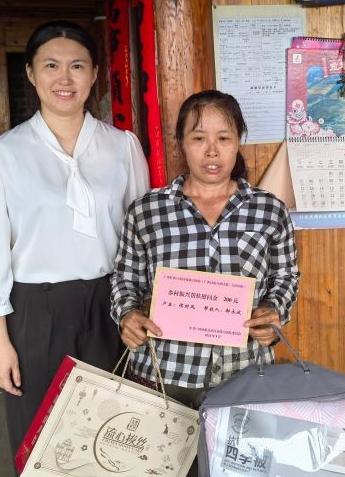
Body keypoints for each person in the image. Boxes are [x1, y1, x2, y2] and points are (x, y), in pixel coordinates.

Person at [0, 20, 149, 460]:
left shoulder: (122, 147)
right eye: (51, 65)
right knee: (43, 435)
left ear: (94, 75)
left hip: (112, 306)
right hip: (37, 311)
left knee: (114, 432)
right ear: (31, 73)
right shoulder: (3, 154)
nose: (64, 78)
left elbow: (143, 238)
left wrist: (141, 307)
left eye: (77, 66)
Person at [110, 89, 300, 412]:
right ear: (181, 143)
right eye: (198, 138)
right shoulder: (148, 211)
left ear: (238, 141)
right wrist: (127, 315)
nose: (212, 151)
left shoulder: (269, 210)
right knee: (165, 448)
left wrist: (274, 311)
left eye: (224, 138)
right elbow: (125, 279)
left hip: (245, 371)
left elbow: (285, 276)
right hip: (165, 372)